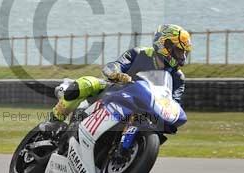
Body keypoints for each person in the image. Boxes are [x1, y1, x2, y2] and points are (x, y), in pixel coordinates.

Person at [41, 24, 192, 132]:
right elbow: (111, 67)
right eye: (179, 51)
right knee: (86, 84)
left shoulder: (178, 77)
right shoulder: (139, 53)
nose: (182, 57)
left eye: (184, 53)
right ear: (164, 44)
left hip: (143, 109)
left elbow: (173, 103)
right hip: (115, 91)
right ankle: (53, 122)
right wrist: (118, 75)